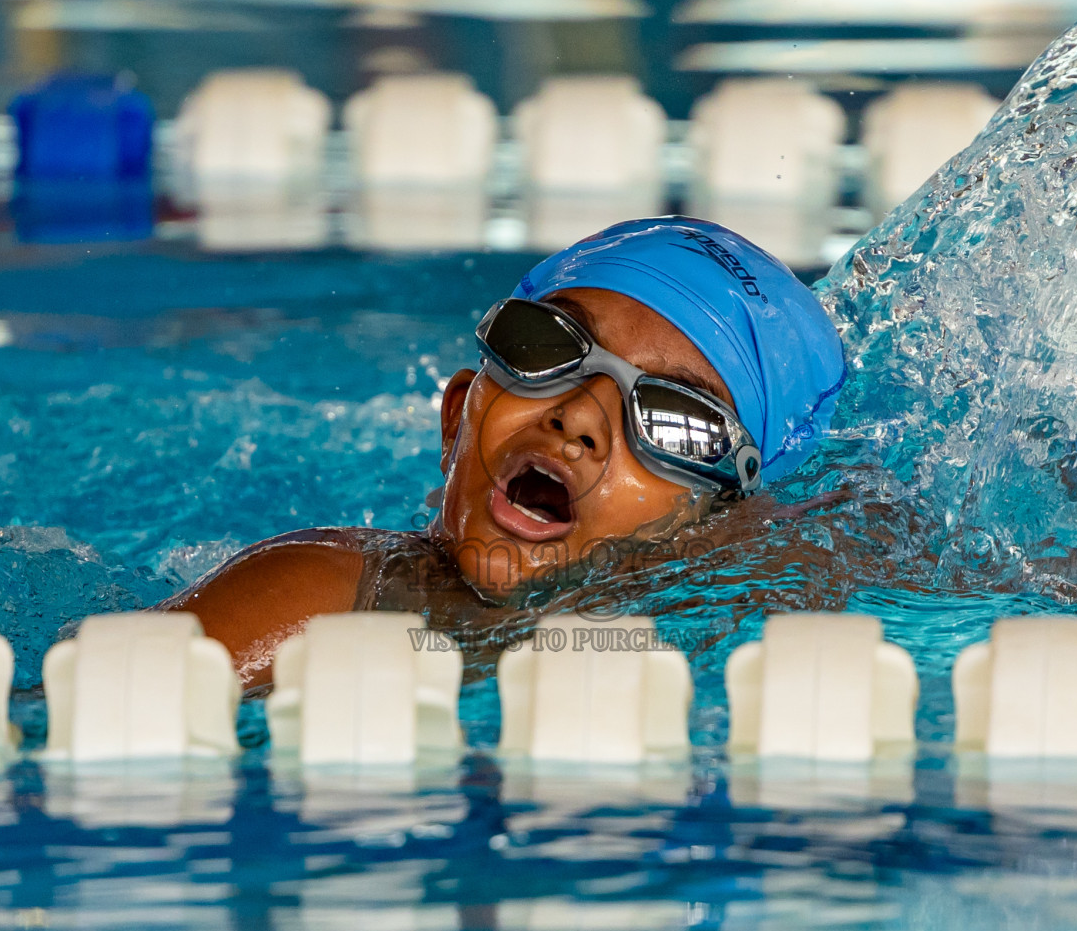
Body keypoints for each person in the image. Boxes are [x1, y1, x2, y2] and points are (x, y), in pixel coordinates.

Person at [163, 217, 846, 687]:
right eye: (547, 346)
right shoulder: (323, 599)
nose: (578, 415)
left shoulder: (774, 645)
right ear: (458, 416)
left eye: (676, 421)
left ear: (731, 522)